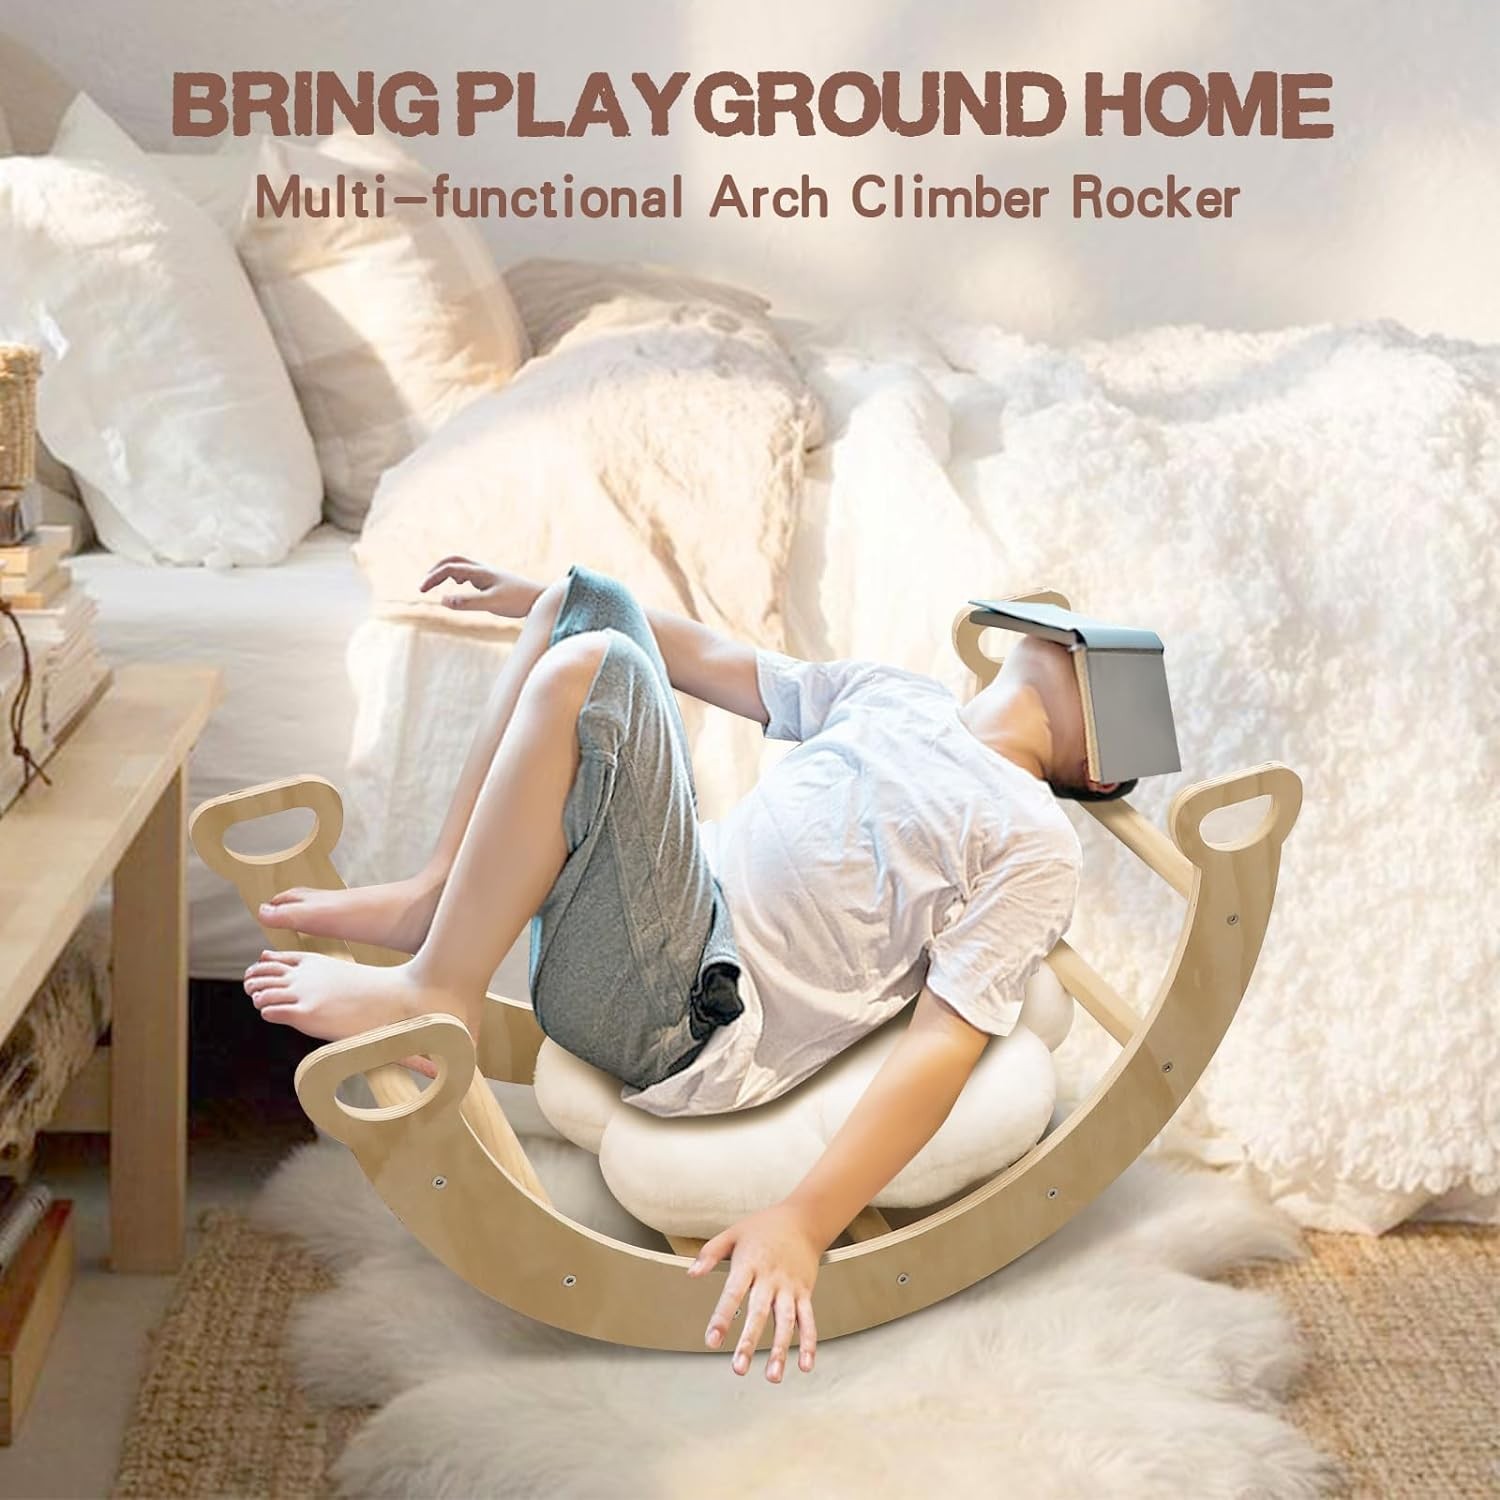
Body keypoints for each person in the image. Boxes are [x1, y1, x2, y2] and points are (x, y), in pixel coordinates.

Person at [243, 561, 1113, 1385]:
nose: (1074, 636)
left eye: (1100, 658)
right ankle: (437, 900)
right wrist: (544, 605)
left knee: (598, 668)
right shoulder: (900, 695)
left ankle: (439, 991)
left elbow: (943, 1043)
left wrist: (806, 1219)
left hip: (692, 1015)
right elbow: (718, 658)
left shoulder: (1033, 839)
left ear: (1103, 768)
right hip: (665, 913)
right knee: (587, 601)